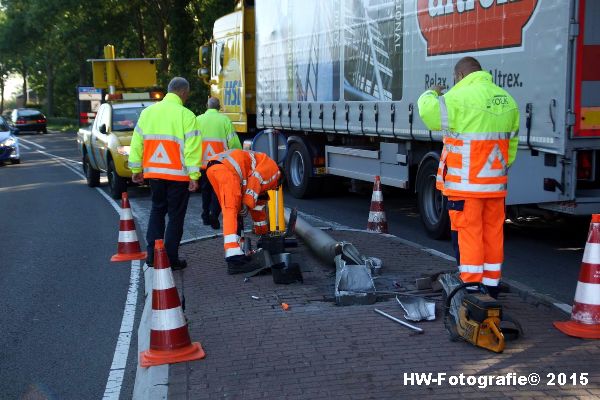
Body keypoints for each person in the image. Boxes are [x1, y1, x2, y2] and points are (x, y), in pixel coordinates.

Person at [417, 57, 520, 298]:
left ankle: (472, 291)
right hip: (495, 187)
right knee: (493, 235)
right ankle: (491, 286)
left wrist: (430, 92)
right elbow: (511, 145)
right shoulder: (507, 100)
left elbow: (428, 113)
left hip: (466, 188)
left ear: (460, 76)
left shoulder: (458, 98)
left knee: (469, 235)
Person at [128, 77, 202, 271]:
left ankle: (153, 255)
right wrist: (194, 176)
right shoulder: (186, 115)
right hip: (178, 176)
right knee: (176, 217)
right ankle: (170, 258)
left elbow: (137, 143)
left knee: (157, 210)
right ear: (184, 92)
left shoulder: (147, 113)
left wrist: (136, 169)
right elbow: (192, 149)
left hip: (154, 174)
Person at [205, 149, 281, 274]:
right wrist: (247, 203)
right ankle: (233, 257)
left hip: (214, 168)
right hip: (226, 170)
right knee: (231, 210)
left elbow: (258, 204)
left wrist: (262, 232)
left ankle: (238, 250)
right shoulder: (274, 171)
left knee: (233, 210)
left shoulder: (261, 161)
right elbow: (255, 179)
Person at [196, 97, 241, 229]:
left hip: (204, 164)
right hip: (220, 164)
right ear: (219, 107)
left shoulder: (198, 120)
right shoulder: (225, 120)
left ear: (207, 105)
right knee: (218, 190)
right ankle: (214, 213)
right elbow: (233, 142)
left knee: (205, 189)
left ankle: (205, 216)